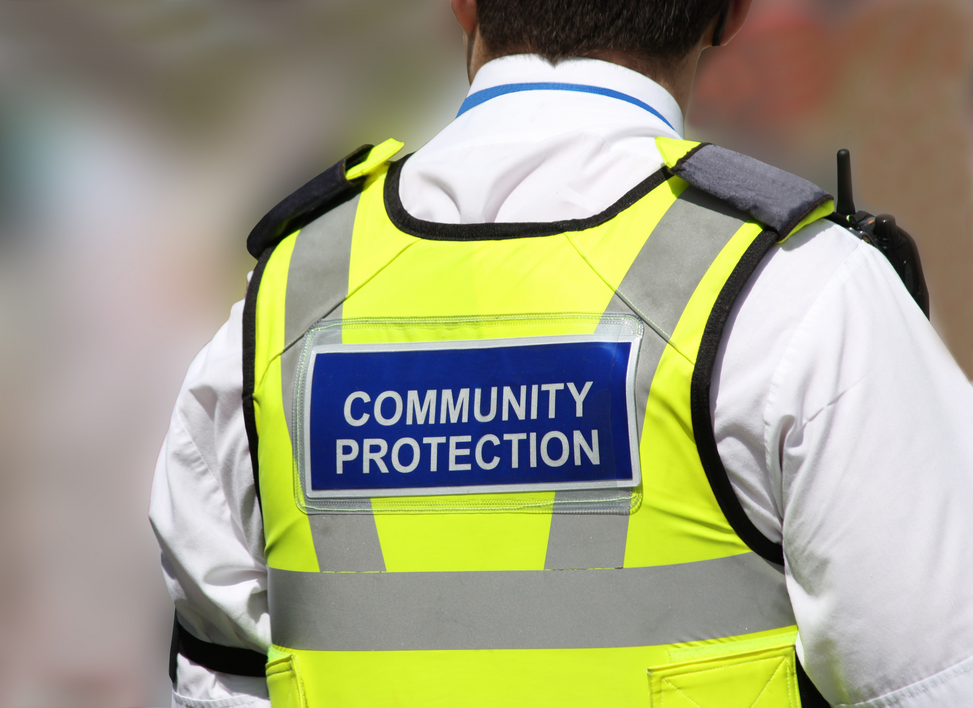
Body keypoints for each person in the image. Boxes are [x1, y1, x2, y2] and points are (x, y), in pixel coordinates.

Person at [149, 1, 973, 706]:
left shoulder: (280, 303)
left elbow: (219, 676)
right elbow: (938, 679)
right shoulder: (804, 293)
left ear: (463, 1)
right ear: (734, 11)